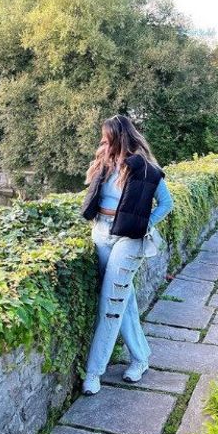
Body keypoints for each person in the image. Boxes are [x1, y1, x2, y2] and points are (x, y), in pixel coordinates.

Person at [79, 114, 173, 395]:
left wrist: (144, 224)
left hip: (129, 239)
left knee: (110, 304)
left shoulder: (146, 170)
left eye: (107, 137)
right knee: (123, 300)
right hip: (101, 233)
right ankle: (141, 358)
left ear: (120, 137)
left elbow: (166, 204)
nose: (103, 142)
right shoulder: (105, 164)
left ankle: (94, 373)